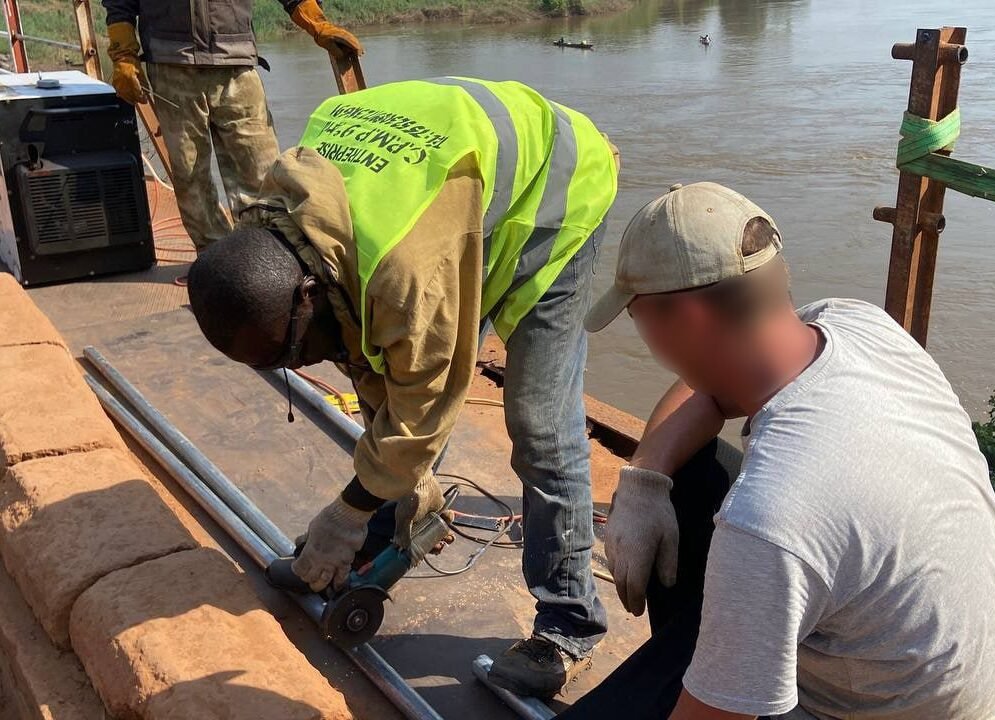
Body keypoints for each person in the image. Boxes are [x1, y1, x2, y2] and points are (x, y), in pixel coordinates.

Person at [185, 77, 619, 697]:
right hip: (461, 195)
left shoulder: (406, 274)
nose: (300, 365)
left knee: (538, 425)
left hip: (556, 194)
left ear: (304, 292)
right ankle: (389, 531)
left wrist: (347, 512)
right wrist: (384, 498)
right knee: (372, 355)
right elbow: (365, 349)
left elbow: (424, 403)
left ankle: (568, 623)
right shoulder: (291, 212)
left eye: (292, 351)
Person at [565, 182, 995, 719]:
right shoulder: (859, 325)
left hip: (847, 710)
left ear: (686, 320)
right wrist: (646, 476)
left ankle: (713, 670)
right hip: (932, 685)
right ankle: (710, 657)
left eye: (638, 317)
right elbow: (710, 387)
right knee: (688, 477)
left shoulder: (771, 517)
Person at [103, 0, 362, 250]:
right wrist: (123, 54)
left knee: (261, 173)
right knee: (189, 175)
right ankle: (213, 258)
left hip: (236, 62)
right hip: (171, 65)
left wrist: (318, 24)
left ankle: (263, 255)